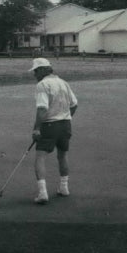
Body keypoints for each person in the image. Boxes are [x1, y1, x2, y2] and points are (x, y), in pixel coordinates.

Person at [30, 57, 78, 204]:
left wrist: (37, 129)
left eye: (35, 71)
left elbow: (42, 109)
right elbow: (74, 104)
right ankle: (64, 188)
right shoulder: (63, 82)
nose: (34, 75)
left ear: (41, 70)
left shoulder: (42, 84)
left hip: (50, 126)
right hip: (65, 125)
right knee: (62, 156)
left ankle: (43, 193)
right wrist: (65, 116)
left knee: (40, 157)